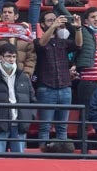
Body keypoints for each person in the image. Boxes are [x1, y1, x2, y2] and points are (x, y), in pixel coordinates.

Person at [0, 42, 35, 153]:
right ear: (1, 57)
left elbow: (33, 100)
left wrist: (28, 118)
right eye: (8, 56)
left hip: (19, 124)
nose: (11, 59)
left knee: (18, 163)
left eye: (14, 56)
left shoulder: (23, 77)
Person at [34, 10, 80, 144]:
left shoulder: (63, 42)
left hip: (65, 88)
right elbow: (42, 43)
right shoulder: (37, 41)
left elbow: (78, 44)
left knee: (62, 128)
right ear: (42, 25)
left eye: (55, 19)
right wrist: (54, 26)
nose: (54, 22)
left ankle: (62, 157)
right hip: (46, 88)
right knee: (45, 128)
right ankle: (42, 158)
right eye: (49, 20)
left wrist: (78, 28)